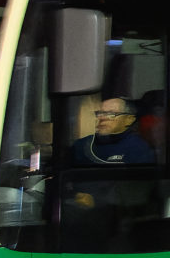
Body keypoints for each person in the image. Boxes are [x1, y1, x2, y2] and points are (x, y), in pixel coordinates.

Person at [67, 98, 157, 237]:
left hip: (115, 220)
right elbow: (63, 176)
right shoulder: (82, 146)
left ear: (129, 119)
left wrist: (96, 201)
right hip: (73, 211)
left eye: (111, 114)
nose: (102, 118)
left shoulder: (138, 149)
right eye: (100, 113)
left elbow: (136, 191)